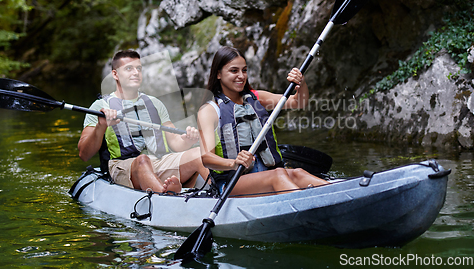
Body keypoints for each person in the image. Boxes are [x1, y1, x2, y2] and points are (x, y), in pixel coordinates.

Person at [198, 46, 328, 196]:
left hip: (268, 173)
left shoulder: (256, 98)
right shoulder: (209, 110)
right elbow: (206, 158)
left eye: (244, 70)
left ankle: (341, 194)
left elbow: (299, 102)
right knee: (278, 175)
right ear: (219, 74)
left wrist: (301, 84)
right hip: (232, 182)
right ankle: (308, 203)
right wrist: (233, 163)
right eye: (234, 71)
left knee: (298, 173)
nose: (241, 76)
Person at [78, 50, 208, 193]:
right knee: (142, 160)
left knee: (198, 153)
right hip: (123, 166)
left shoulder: (155, 103)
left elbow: (175, 143)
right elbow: (84, 155)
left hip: (158, 162)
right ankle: (168, 197)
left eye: (138, 68)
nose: (136, 73)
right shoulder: (99, 107)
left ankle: (226, 196)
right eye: (129, 68)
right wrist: (101, 126)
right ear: (115, 74)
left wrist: (188, 140)